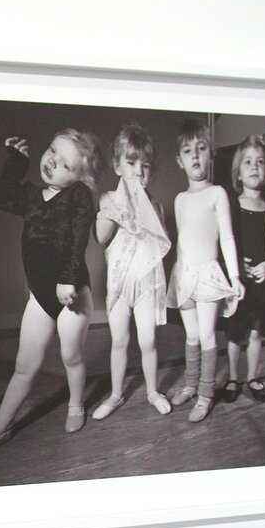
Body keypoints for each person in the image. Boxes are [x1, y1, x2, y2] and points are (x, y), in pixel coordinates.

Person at [0, 130, 100, 454]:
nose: (53, 162)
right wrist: (16, 163)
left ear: (80, 178)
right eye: (52, 151)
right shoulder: (31, 196)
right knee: (24, 365)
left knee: (71, 356)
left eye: (65, 165)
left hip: (73, 296)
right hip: (41, 297)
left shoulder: (78, 197)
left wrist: (68, 278)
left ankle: (76, 404)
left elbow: (78, 238)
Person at [164, 118, 244, 423]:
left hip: (208, 275)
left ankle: (206, 393)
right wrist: (176, 274)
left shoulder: (218, 194)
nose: (195, 155)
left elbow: (227, 237)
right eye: (188, 151)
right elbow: (182, 239)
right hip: (184, 274)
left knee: (208, 335)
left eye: (201, 148)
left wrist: (234, 276)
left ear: (211, 153)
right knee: (192, 334)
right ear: (179, 161)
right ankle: (191, 384)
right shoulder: (180, 199)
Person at [92, 124, 172, 419]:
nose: (139, 171)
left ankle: (152, 391)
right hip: (119, 285)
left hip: (146, 285)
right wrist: (113, 211)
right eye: (131, 162)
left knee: (148, 340)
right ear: (117, 166)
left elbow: (160, 245)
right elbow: (101, 237)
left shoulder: (156, 206)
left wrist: (144, 210)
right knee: (119, 341)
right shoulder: (108, 199)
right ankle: (115, 394)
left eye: (145, 165)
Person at [221, 135, 265, 404]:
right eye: (248, 162)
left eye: (260, 162)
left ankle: (252, 377)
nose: (254, 166)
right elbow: (225, 240)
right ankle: (233, 378)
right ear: (238, 173)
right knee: (235, 333)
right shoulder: (232, 206)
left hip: (260, 281)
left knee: (256, 332)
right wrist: (235, 265)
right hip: (239, 282)